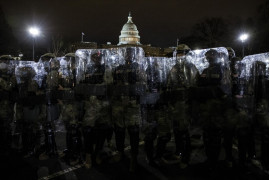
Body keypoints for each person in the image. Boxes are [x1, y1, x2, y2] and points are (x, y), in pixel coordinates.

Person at [112, 47, 146, 172]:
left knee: (133, 131)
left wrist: (132, 87)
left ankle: (134, 157)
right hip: (119, 104)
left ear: (133, 55)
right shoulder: (118, 68)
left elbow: (144, 84)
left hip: (132, 104)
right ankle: (120, 152)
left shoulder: (138, 67)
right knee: (119, 130)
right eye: (126, 53)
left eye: (130, 53)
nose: (128, 55)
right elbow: (112, 84)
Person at [167, 44, 198, 168]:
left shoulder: (191, 67)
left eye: (182, 53)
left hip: (185, 103)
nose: (180, 55)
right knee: (177, 130)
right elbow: (169, 83)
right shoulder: (174, 68)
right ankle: (179, 151)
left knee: (184, 131)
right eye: (178, 53)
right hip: (175, 102)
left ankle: (186, 157)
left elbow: (194, 86)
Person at [81, 51, 112, 168]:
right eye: (93, 57)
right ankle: (88, 155)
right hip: (90, 104)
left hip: (102, 103)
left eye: (98, 57)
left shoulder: (106, 69)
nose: (96, 59)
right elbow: (83, 83)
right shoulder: (87, 69)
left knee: (102, 130)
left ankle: (98, 152)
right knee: (88, 130)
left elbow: (108, 84)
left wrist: (97, 87)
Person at [197, 49, 227, 170]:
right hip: (206, 105)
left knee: (215, 134)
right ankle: (209, 158)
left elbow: (223, 87)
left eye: (211, 57)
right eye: (207, 57)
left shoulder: (221, 69)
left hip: (216, 105)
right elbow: (200, 84)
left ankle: (214, 160)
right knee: (207, 133)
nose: (209, 59)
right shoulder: (205, 70)